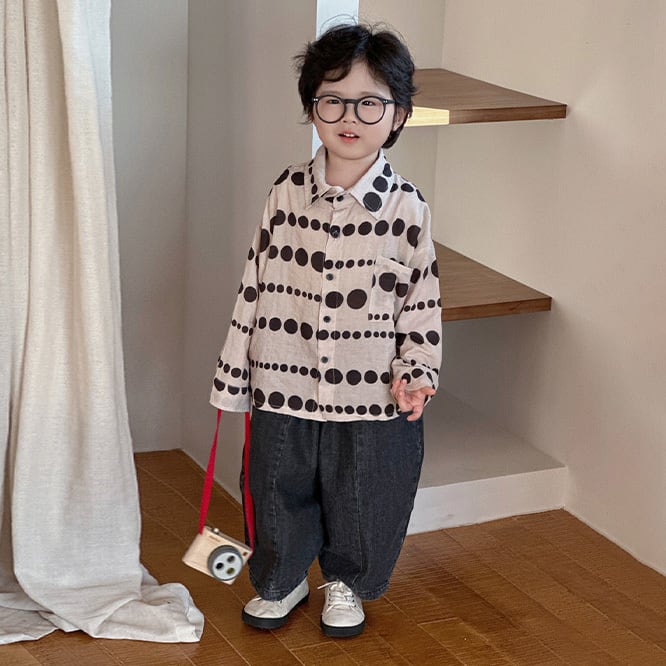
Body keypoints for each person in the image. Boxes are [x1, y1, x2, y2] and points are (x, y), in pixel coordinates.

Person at [210, 22, 442, 638]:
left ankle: (348, 582)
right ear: (312, 107)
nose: (349, 117)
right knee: (276, 483)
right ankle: (281, 578)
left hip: (372, 390)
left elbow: (421, 300)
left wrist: (417, 371)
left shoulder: (408, 207)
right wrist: (234, 374)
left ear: (398, 115)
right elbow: (254, 282)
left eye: (370, 103)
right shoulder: (285, 192)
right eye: (332, 100)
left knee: (365, 492)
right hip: (282, 375)